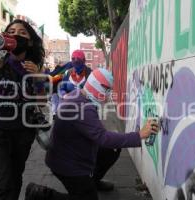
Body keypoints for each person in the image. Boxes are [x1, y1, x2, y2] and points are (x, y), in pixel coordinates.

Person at [25, 68, 160, 200]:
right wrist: (139, 135)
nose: (108, 95)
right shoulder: (84, 107)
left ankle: (92, 182)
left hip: (68, 153)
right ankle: (40, 194)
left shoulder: (79, 95)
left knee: (112, 150)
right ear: (97, 87)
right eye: (107, 90)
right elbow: (103, 137)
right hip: (66, 164)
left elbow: (96, 133)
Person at [0, 19, 45, 200]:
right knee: (2, 185)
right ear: (4, 37)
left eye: (22, 33)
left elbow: (42, 101)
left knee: (15, 179)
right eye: (11, 31)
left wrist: (38, 77)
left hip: (22, 130)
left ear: (30, 41)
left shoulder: (36, 65)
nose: (16, 35)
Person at [53, 50, 121, 191]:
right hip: (71, 122)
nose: (76, 61)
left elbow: (101, 94)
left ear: (84, 60)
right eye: (74, 59)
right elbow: (59, 88)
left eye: (79, 59)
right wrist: (64, 94)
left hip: (88, 115)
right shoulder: (67, 74)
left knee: (109, 149)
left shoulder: (90, 74)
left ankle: (93, 180)